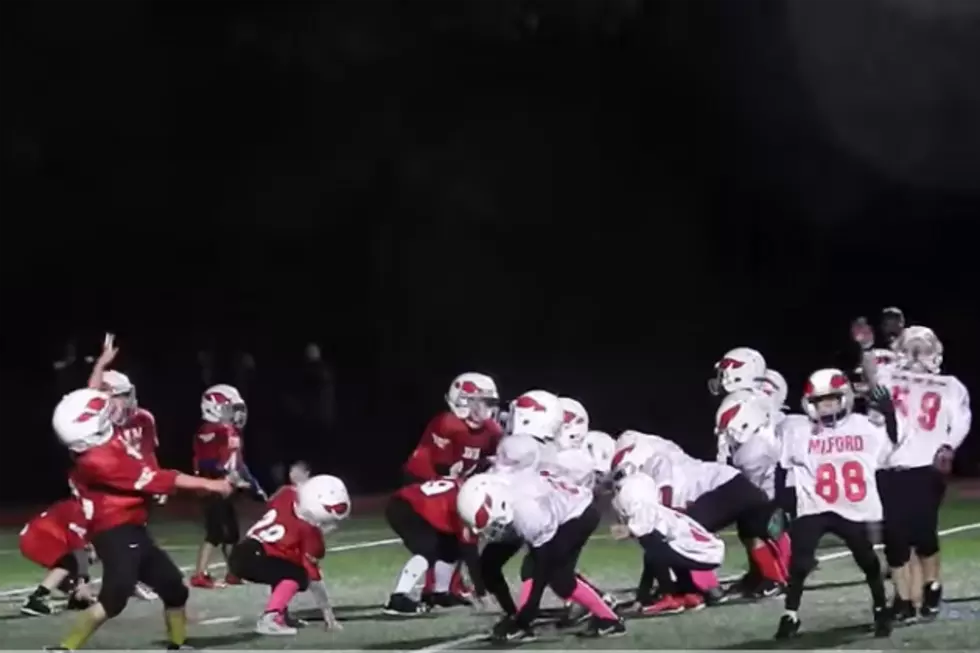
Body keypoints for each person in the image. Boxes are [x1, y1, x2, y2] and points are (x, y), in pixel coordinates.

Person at [51, 388, 231, 650]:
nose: (112, 409)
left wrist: (101, 366)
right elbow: (163, 479)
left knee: (174, 589)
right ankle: (66, 648)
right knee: (114, 599)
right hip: (115, 531)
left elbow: (81, 409)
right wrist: (212, 485)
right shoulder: (101, 460)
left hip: (130, 529)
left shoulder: (89, 443)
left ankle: (177, 646)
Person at [775, 368, 897, 639]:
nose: (825, 406)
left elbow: (890, 453)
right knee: (800, 562)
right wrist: (781, 504)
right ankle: (790, 614)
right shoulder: (798, 430)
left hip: (852, 507)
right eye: (819, 401)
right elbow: (782, 468)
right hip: (814, 505)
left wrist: (890, 416)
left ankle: (880, 608)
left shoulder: (864, 426)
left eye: (831, 399)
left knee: (866, 559)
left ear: (845, 398)